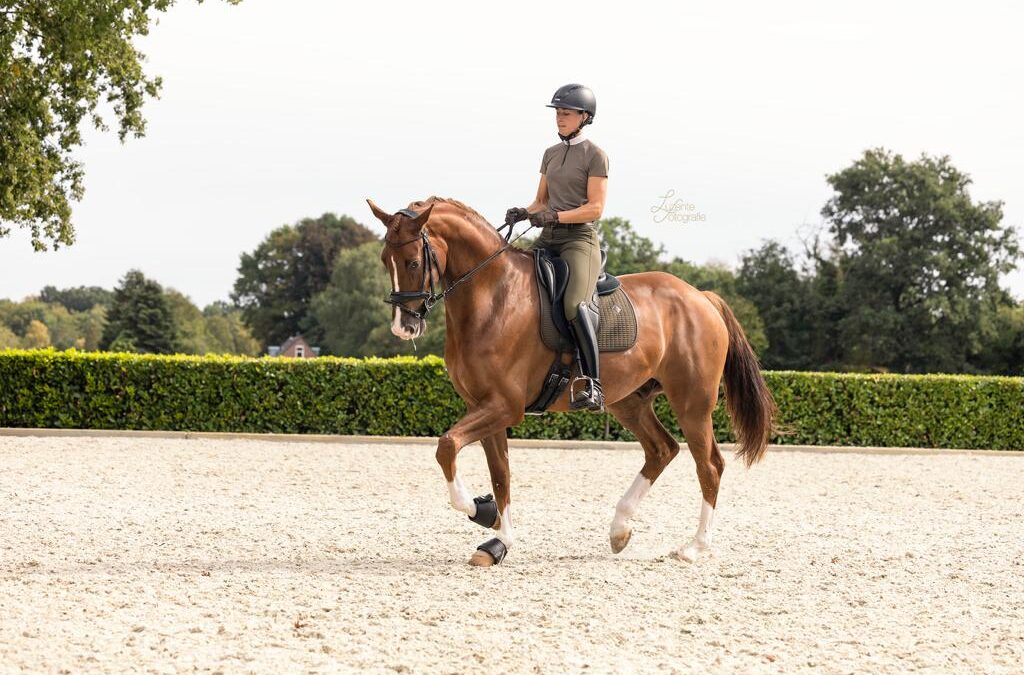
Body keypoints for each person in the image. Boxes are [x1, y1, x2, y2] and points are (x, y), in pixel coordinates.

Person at [506, 83, 609, 412]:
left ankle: (592, 383)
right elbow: (541, 201)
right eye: (558, 113)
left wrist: (556, 215)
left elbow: (595, 208)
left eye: (566, 113)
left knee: (573, 305)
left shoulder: (595, 156)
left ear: (584, 116)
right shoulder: (550, 153)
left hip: (579, 239)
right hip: (549, 237)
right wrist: (525, 212)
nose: (560, 119)